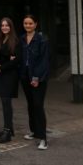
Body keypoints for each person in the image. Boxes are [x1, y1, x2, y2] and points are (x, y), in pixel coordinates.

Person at [20, 14, 50, 150]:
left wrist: (36, 78)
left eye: (30, 23)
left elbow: (44, 61)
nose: (28, 26)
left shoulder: (42, 39)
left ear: (35, 24)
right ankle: (34, 131)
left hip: (38, 78)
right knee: (31, 105)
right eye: (26, 23)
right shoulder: (22, 39)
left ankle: (43, 138)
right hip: (25, 76)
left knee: (38, 105)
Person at [0, 17, 21, 143]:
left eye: (7, 25)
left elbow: (16, 61)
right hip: (1, 74)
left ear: (11, 27)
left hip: (9, 75)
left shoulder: (15, 41)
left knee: (6, 102)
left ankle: (7, 132)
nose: (4, 27)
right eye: (2, 25)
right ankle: (9, 128)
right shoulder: (0, 39)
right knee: (4, 102)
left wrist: (2, 67)